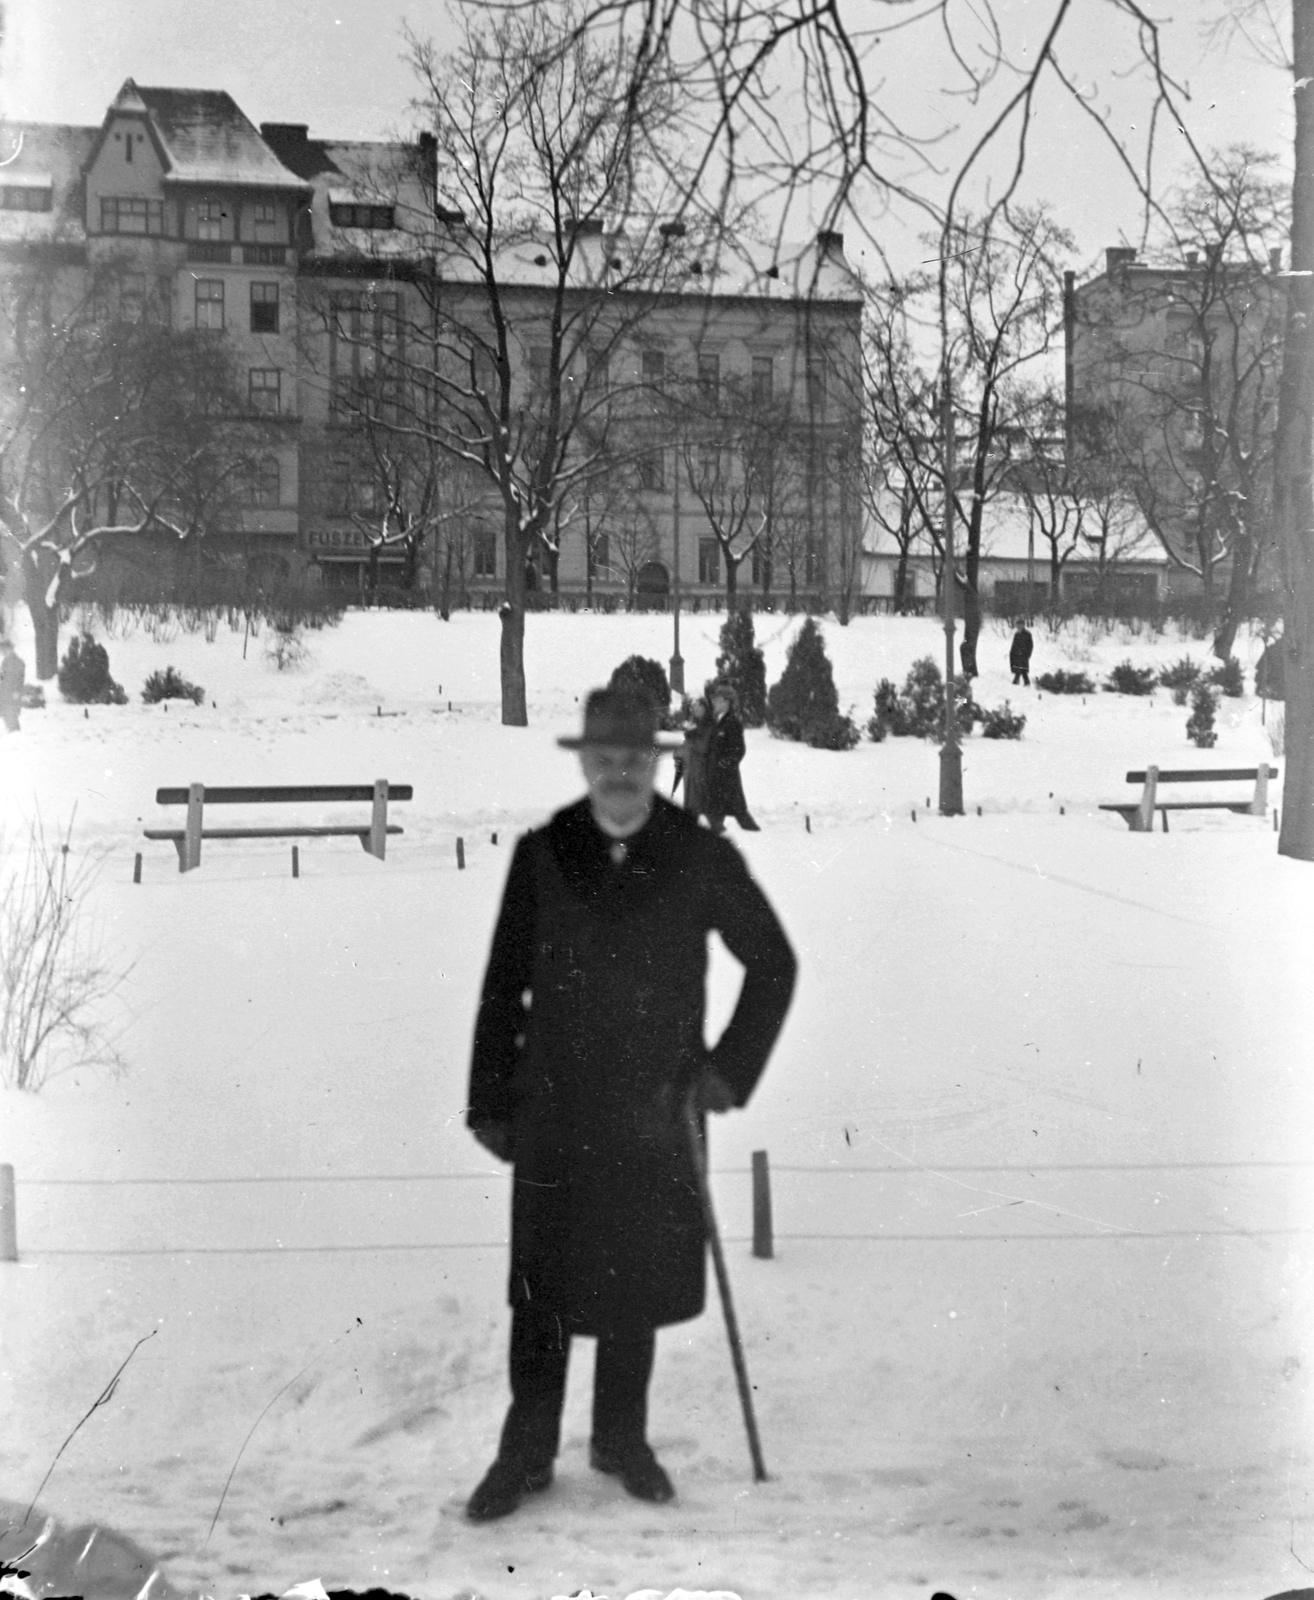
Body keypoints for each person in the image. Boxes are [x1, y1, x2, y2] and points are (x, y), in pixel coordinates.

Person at [464, 686, 796, 1522]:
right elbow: (505, 984)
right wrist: (490, 1103)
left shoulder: (696, 854)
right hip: (556, 1109)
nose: (620, 776)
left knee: (633, 1283)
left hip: (655, 1112)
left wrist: (724, 1074)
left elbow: (775, 963)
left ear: (663, 764)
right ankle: (526, 1452)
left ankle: (622, 1440)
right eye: (606, 760)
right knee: (541, 1291)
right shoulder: (544, 854)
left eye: (637, 761)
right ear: (583, 763)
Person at [703, 683, 759, 833]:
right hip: (716, 776)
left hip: (727, 777)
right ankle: (717, 836)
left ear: (727, 702)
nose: (714, 703)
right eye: (713, 700)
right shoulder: (717, 722)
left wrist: (725, 763)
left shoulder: (732, 722)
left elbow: (739, 749)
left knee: (739, 812)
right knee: (716, 812)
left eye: (718, 700)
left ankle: (755, 835)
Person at [671, 696, 712, 819]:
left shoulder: (708, 726)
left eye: (700, 707)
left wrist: (692, 735)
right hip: (689, 769)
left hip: (701, 770)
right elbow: (686, 745)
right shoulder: (693, 725)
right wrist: (677, 755)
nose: (697, 710)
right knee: (690, 803)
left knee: (698, 804)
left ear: (706, 709)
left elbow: (704, 747)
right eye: (695, 708)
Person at [0, 637, 25, 733]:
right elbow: (2, 677)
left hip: (12, 694)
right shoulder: (5, 662)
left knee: (11, 717)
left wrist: (17, 692)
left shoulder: (17, 661)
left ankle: (16, 736)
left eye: (4, 650)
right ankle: (13, 735)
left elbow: (19, 679)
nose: (2, 652)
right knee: (7, 716)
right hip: (5, 694)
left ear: (10, 649)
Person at [1009, 623, 1034, 687]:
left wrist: (1028, 654)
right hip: (1016, 655)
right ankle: (1026, 683)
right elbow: (1014, 645)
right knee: (1021, 669)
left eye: (1020, 625)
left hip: (1024, 655)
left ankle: (1016, 682)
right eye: (1017, 625)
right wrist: (1011, 653)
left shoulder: (1027, 634)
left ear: (1023, 625)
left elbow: (1030, 645)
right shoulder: (1016, 634)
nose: (1018, 627)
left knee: (1022, 669)